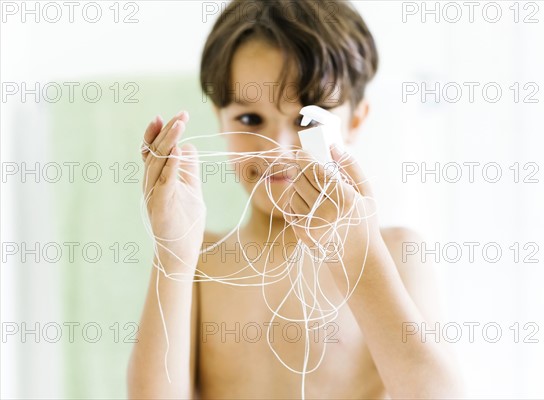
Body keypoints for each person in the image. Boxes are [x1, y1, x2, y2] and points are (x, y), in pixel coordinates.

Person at [128, 1, 463, 398]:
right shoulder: (201, 263)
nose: (279, 149)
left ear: (356, 121)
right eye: (250, 120)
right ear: (219, 119)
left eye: (308, 120)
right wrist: (173, 252)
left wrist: (359, 258)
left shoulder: (396, 253)